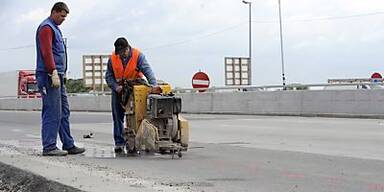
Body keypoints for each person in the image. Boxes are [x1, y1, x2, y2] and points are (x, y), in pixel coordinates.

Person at [35, 2, 85, 156]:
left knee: (63, 110)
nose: (64, 19)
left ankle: (68, 144)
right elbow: (47, 52)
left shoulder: (56, 29)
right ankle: (49, 146)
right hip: (49, 75)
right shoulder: (46, 28)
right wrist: (53, 71)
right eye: (62, 16)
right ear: (54, 12)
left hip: (59, 76)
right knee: (52, 111)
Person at [106, 37, 160, 153]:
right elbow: (109, 77)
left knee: (138, 115)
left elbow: (147, 71)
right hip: (119, 90)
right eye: (118, 53)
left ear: (127, 49)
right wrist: (116, 87)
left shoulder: (138, 56)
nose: (120, 55)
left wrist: (154, 86)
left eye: (122, 53)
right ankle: (119, 143)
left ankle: (137, 139)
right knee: (117, 117)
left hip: (135, 89)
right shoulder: (113, 58)